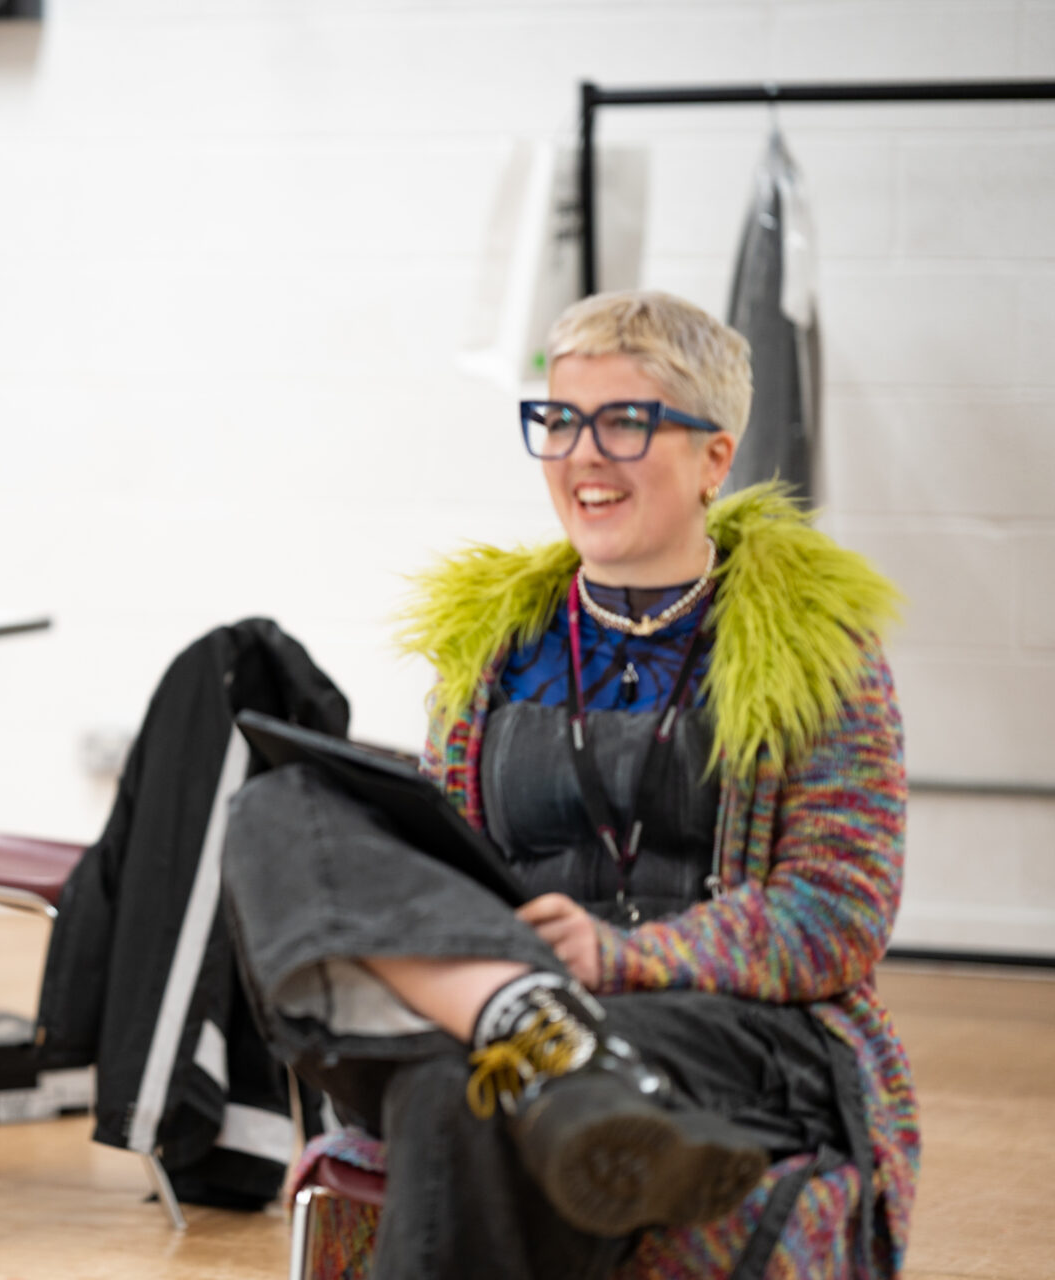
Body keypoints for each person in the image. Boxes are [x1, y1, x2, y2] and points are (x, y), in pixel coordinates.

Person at [223, 291, 916, 1278]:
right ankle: (515, 1014)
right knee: (275, 805)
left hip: (729, 1024)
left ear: (716, 455)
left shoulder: (820, 645)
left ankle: (540, 1040)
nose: (582, 454)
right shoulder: (492, 647)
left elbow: (839, 911)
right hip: (501, 984)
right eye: (558, 419)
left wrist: (622, 956)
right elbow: (446, 869)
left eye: (626, 421)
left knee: (459, 1091)